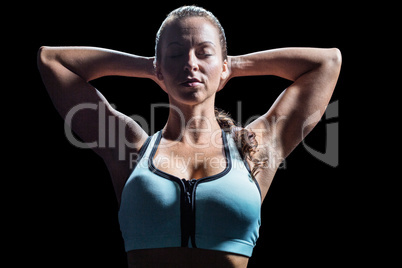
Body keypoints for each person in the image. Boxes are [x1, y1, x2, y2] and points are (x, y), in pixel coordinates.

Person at [37, 5, 341, 268]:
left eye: (203, 53)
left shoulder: (253, 147)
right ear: (158, 68)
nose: (190, 63)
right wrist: (151, 66)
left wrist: (233, 65)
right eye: (176, 53)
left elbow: (327, 62)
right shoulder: (130, 147)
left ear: (223, 66)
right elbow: (53, 60)